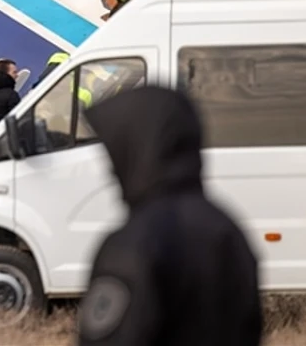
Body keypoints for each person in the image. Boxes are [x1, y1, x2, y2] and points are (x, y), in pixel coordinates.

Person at [77, 86, 262, 346]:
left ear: (138, 148)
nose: (111, 169)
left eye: (117, 152)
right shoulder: (228, 230)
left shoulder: (134, 244)